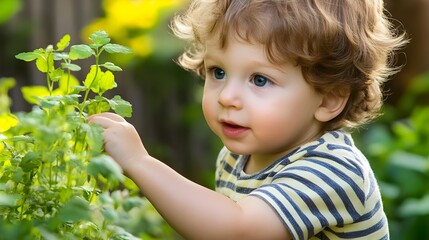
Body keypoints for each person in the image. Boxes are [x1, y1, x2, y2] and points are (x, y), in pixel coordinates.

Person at [89, 0, 407, 239]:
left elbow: (237, 231)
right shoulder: (236, 158)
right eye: (219, 72)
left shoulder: (332, 169)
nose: (227, 96)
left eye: (259, 80)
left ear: (328, 99)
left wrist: (140, 162)